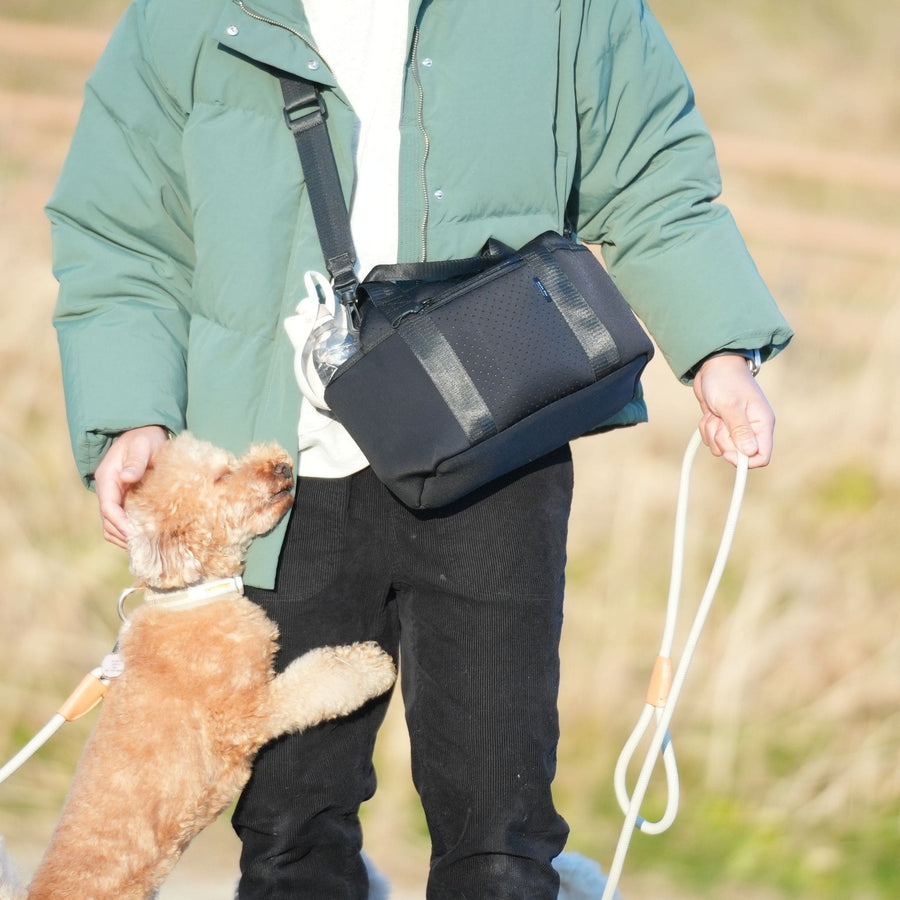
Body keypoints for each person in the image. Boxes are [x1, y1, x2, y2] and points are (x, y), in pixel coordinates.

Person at [48, 1, 793, 897]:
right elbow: (123, 234)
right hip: (275, 480)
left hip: (494, 456)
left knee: (501, 841)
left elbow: (652, 176)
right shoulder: (188, 16)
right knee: (288, 840)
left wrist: (719, 351)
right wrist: (131, 413)